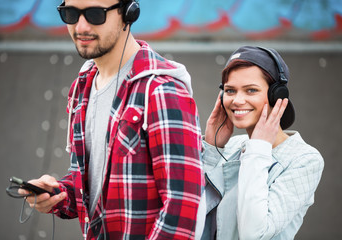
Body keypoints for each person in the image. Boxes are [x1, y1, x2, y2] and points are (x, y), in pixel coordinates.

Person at [23, 0, 204, 239]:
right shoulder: (82, 87)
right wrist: (60, 194)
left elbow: (182, 208)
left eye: (95, 14)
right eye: (71, 14)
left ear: (128, 14)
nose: (81, 26)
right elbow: (92, 185)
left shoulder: (161, 90)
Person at [199, 46, 324, 240]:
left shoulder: (305, 160)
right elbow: (192, 220)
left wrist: (258, 150)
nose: (238, 100)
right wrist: (211, 150)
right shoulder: (231, 146)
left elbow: (253, 234)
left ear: (277, 96)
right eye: (230, 90)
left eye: (251, 90)